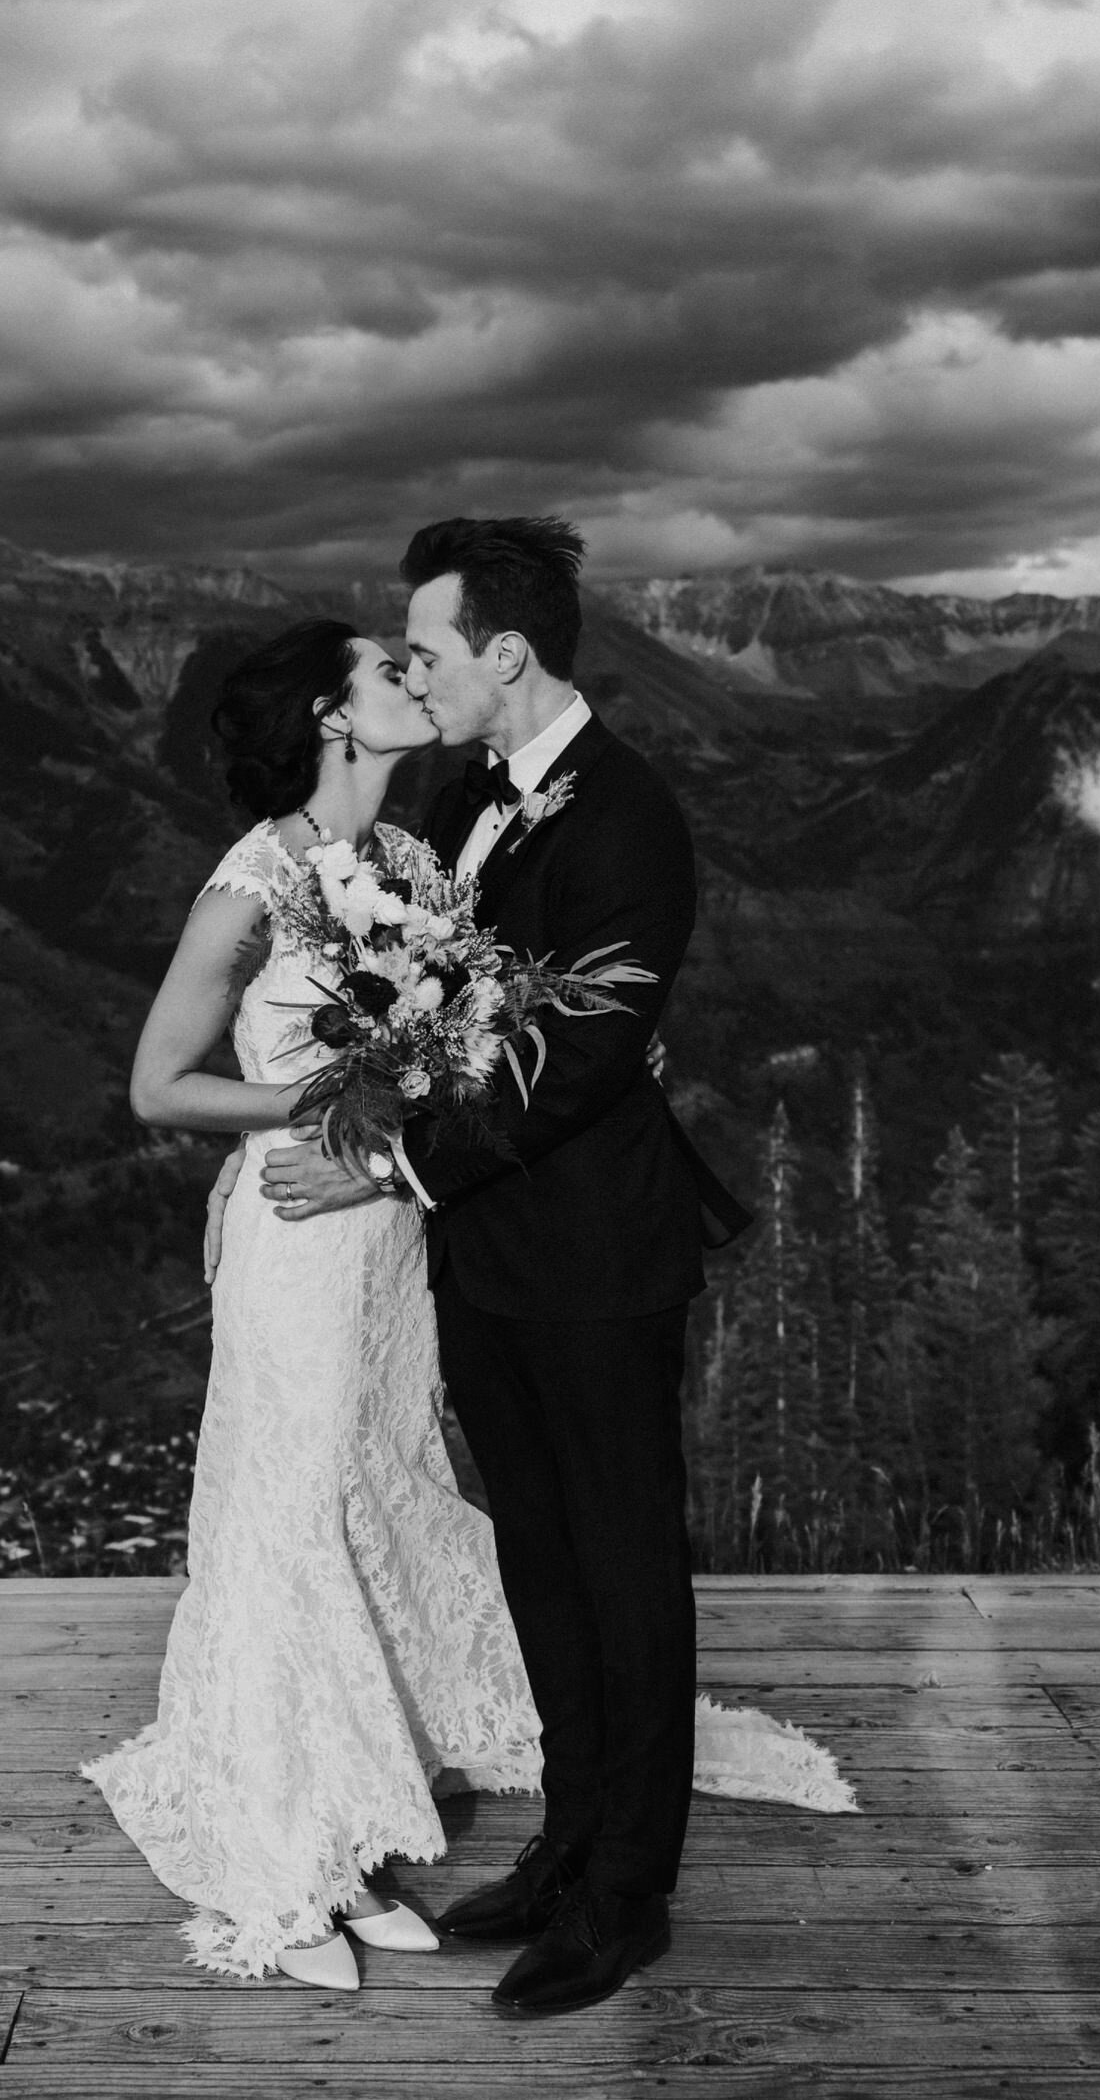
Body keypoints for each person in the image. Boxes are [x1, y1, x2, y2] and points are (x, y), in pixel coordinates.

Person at [252, 517, 752, 2017]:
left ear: (508, 655)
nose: (413, 668)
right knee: (537, 1552)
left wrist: (389, 1163)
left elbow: (580, 1060)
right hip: (486, 1260)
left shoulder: (630, 820)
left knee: (625, 1562)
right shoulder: (470, 786)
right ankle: (567, 1839)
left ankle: (625, 1895)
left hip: (599, 1256)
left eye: (429, 648)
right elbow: (434, 989)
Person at [80, 618, 545, 1991]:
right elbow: (159, 1084)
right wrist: (319, 1099)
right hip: (298, 1231)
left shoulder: (412, 866)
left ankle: (364, 1812)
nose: (415, 677)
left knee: (369, 1478)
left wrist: (429, 1081)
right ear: (334, 723)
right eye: (388, 671)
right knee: (291, 1505)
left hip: (391, 1231)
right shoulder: (256, 880)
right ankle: (298, 1847)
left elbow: (462, 1046)